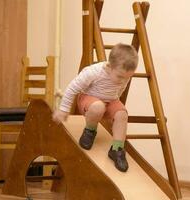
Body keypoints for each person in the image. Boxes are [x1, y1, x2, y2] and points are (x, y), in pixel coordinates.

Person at [52, 43, 138, 172]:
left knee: (122, 114)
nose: (123, 80)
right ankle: (90, 130)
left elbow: (119, 91)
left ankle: (117, 149)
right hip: (89, 99)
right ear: (109, 67)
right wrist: (63, 109)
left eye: (127, 77)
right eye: (120, 76)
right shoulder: (94, 72)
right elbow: (72, 88)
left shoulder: (123, 76)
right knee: (98, 107)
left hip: (110, 100)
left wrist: (114, 110)